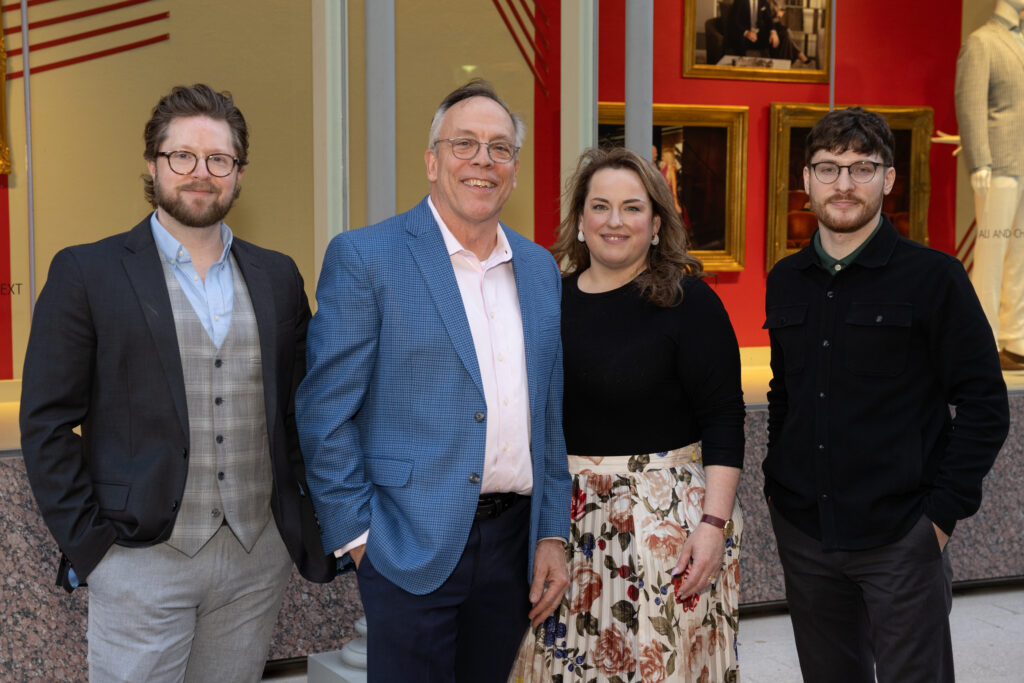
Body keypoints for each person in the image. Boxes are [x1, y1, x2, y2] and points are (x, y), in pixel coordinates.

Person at [19, 83, 334, 682]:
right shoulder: (88, 272)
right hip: (139, 561)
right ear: (152, 165)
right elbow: (47, 422)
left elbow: (303, 412)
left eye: (219, 159)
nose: (201, 173)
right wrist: (95, 551)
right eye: (182, 156)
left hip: (254, 559)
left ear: (239, 174)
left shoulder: (278, 277)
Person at [295, 80, 571, 682]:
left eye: (500, 149)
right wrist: (362, 539)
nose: (482, 160)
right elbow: (324, 411)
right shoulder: (367, 258)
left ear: (515, 171)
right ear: (431, 160)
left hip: (512, 548)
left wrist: (551, 533)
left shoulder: (539, 269)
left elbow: (547, 413)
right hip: (405, 545)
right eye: (464, 143)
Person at [763, 107, 1009, 682]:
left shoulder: (934, 278)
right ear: (805, 180)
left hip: (902, 537)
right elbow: (784, 393)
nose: (843, 184)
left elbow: (984, 405)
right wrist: (780, 482)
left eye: (862, 168)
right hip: (804, 532)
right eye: (828, 168)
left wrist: (940, 519)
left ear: (889, 179)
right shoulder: (786, 278)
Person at [511, 146, 744, 682]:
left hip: (666, 529)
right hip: (558, 526)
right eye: (600, 206)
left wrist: (713, 526)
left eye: (633, 208)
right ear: (580, 219)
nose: (615, 221)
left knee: (656, 667)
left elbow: (726, 421)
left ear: (657, 223)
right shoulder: (549, 302)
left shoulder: (690, 303)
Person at [955, 0, 1024, 371]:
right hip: (997, 165)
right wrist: (979, 160)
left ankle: (1016, 339)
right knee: (992, 255)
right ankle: (984, 341)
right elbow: (970, 104)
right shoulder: (982, 42)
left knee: (1020, 257)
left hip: (1023, 162)